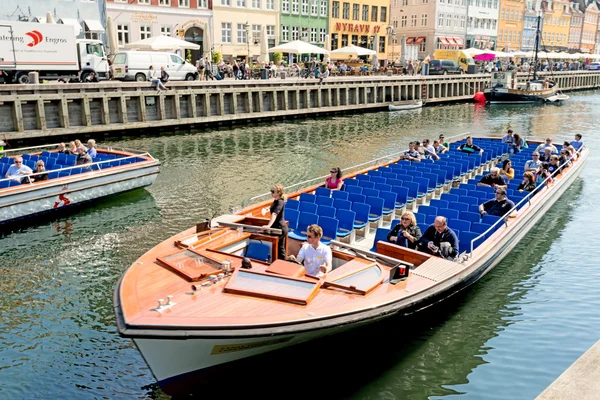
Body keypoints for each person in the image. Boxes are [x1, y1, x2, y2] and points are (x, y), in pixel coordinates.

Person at [261, 184, 288, 260]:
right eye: (271, 191)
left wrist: (268, 225)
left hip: (280, 228)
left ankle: (281, 264)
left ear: (279, 193)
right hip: (277, 227)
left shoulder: (280, 202)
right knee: (280, 248)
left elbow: (274, 214)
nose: (271, 193)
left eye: (273, 191)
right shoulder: (276, 201)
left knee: (279, 249)